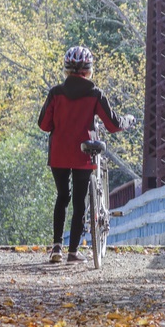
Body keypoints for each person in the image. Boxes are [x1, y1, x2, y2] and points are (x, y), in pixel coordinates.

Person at [37, 46, 134, 263]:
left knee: (62, 197)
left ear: (66, 70)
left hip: (59, 154)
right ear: (89, 70)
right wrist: (128, 121)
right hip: (84, 153)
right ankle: (73, 252)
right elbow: (112, 124)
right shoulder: (95, 94)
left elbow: (43, 124)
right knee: (80, 201)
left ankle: (56, 249)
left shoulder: (55, 93)